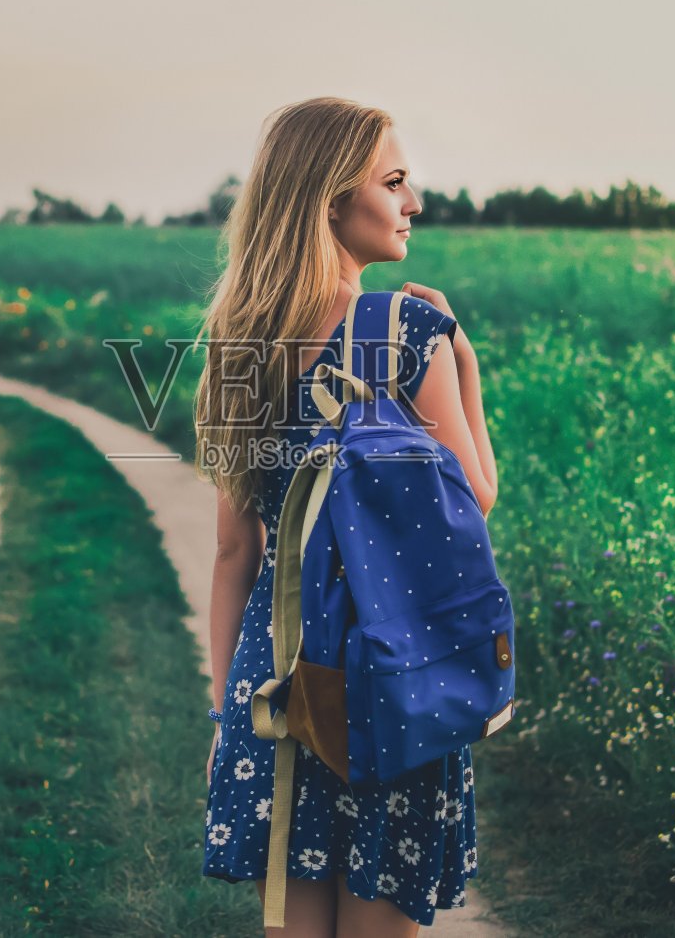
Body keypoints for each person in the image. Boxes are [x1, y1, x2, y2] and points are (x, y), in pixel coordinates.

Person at [192, 97, 499, 937]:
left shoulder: (236, 342)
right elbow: (472, 500)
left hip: (278, 678)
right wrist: (464, 364)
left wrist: (225, 713)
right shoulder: (406, 331)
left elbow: (232, 553)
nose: (414, 204)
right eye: (394, 183)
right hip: (387, 669)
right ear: (332, 199)